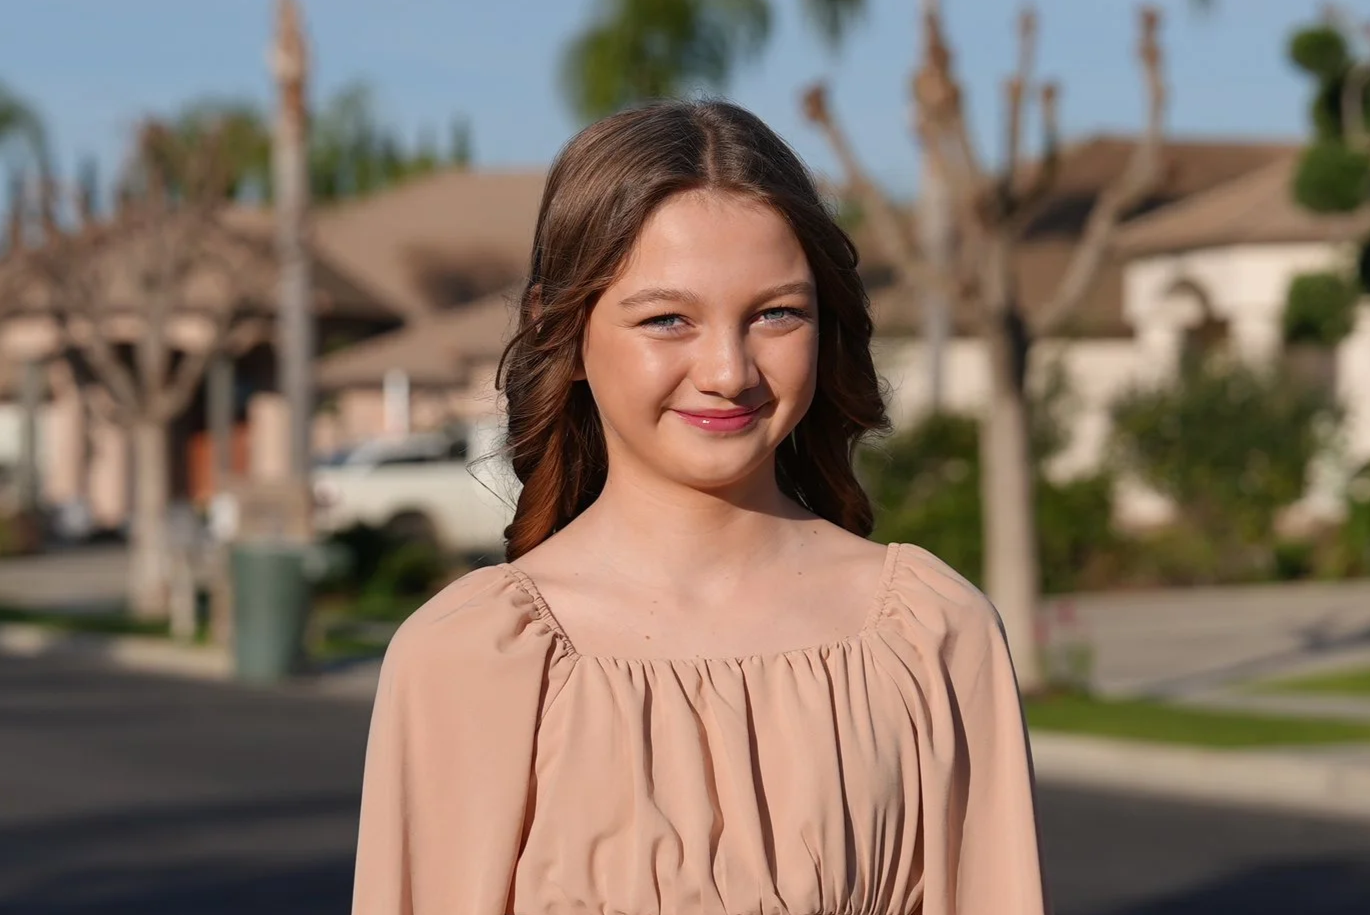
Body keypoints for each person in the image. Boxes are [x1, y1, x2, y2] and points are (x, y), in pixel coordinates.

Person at [351, 99, 1048, 915]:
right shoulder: (469, 655)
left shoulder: (932, 634)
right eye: (668, 318)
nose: (728, 369)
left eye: (776, 313)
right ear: (563, 330)